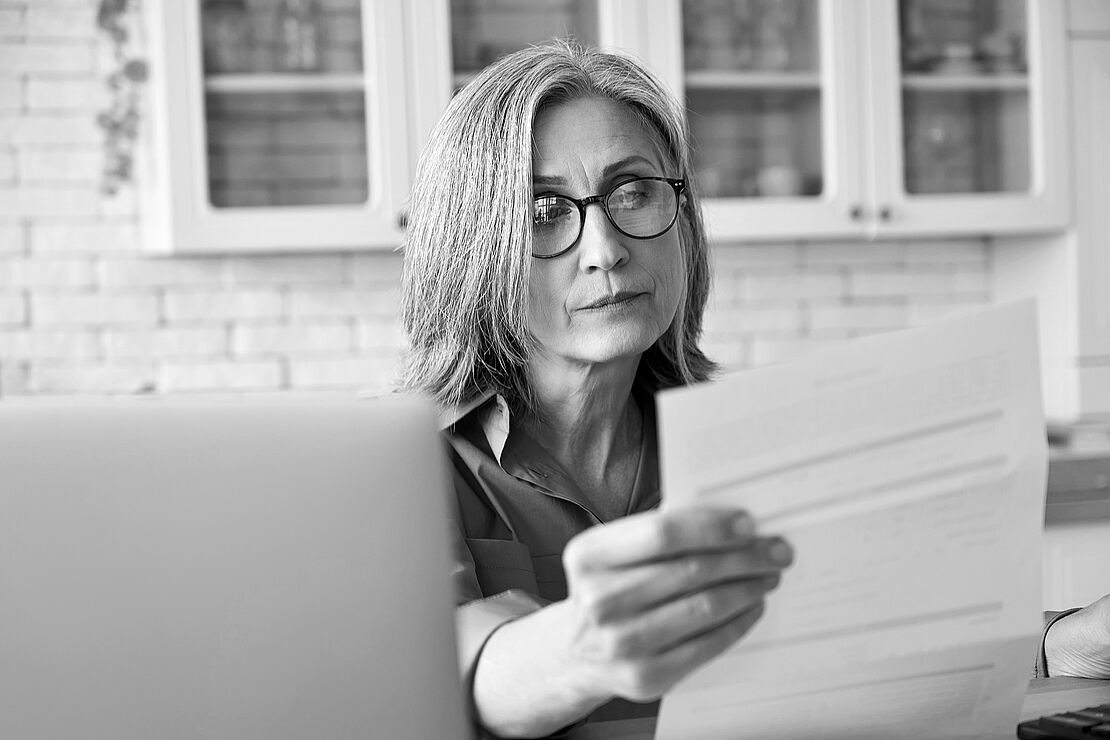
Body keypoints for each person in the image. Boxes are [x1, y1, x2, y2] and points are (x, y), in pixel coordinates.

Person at [399, 39, 1110, 738]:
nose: (606, 249)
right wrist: (582, 648)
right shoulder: (402, 468)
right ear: (473, 246)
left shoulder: (755, 443)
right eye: (544, 210)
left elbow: (882, 641)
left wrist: (1059, 644)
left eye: (634, 191)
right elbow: (427, 674)